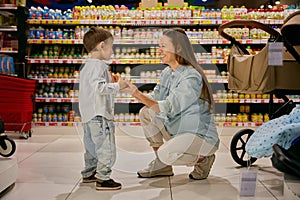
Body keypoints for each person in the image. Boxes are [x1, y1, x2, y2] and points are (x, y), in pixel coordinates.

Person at [123, 28, 220, 180]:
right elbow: (154, 99)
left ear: (178, 48)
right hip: (178, 131)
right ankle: (162, 166)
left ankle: (203, 160)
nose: (159, 50)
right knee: (146, 113)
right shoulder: (168, 73)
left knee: (165, 154)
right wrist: (131, 90)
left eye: (163, 46)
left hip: (199, 136)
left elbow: (169, 107)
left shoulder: (191, 77)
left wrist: (137, 93)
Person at [78, 27, 127, 190]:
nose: (112, 51)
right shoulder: (98, 65)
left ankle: (89, 172)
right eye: (111, 46)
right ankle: (103, 178)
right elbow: (99, 88)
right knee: (106, 147)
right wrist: (117, 85)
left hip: (88, 115)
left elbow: (92, 87)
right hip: (99, 115)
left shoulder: (87, 66)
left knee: (91, 146)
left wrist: (110, 81)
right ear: (101, 46)